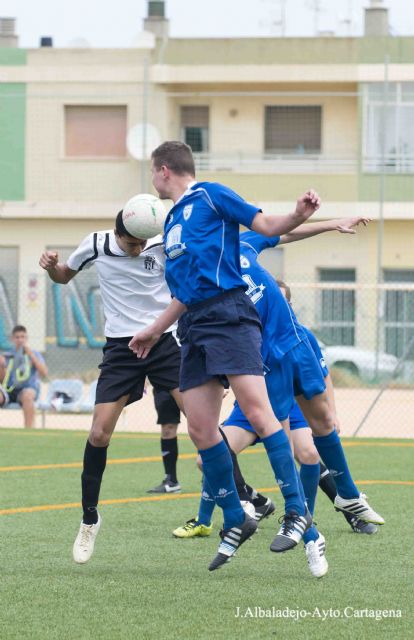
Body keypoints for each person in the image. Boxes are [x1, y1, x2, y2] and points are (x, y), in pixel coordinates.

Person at [129, 140, 323, 571]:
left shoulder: (211, 195)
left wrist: (297, 215)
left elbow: (266, 223)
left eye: (151, 172)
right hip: (193, 326)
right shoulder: (175, 219)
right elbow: (183, 293)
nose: (151, 180)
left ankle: (296, 510)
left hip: (228, 315)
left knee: (258, 412)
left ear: (163, 170)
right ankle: (237, 516)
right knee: (199, 429)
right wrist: (153, 330)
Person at [39, 212, 183, 564]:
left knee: (203, 423)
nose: (136, 250)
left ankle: (242, 498)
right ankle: (89, 519)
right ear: (117, 233)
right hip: (122, 348)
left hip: (164, 342)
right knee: (100, 432)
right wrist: (50, 267)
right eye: (130, 243)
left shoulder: (165, 242)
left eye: (141, 244)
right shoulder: (96, 243)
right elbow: (62, 277)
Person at [1, 325, 48, 428]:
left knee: (27, 396)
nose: (20, 340)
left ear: (26, 338)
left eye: (23, 337)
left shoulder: (34, 354)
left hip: (27, 388)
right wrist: (2, 367)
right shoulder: (7, 355)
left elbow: (44, 373)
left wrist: (31, 355)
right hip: (9, 389)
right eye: (17, 337)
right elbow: (2, 380)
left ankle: (29, 430)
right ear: (12, 339)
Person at [148, 386, 181, 493]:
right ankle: (171, 480)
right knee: (167, 428)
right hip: (163, 381)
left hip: (189, 378)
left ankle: (213, 477)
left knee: (201, 428)